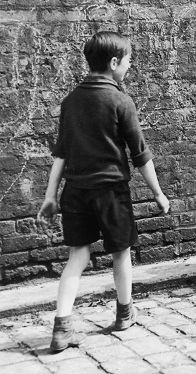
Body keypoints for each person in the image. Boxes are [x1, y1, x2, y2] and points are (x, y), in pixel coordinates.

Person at [37, 31, 170, 352]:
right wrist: (158, 192)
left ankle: (61, 327)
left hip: (76, 191)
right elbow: (140, 154)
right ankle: (124, 313)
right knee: (120, 251)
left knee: (77, 256)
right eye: (127, 63)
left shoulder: (70, 102)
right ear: (114, 63)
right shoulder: (120, 101)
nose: (128, 68)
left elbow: (61, 153)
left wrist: (50, 196)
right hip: (111, 192)